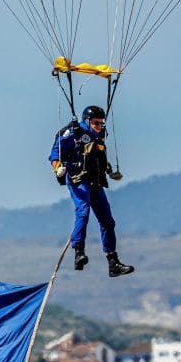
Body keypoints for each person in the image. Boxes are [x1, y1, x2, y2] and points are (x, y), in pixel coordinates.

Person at [49, 106, 135, 276]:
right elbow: (54, 154)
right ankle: (79, 252)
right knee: (83, 211)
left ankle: (113, 262)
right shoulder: (73, 132)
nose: (99, 126)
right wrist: (57, 167)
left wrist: (110, 171)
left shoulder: (99, 135)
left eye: (102, 123)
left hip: (95, 180)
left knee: (108, 221)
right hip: (78, 178)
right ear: (88, 121)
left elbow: (98, 156)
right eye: (96, 123)